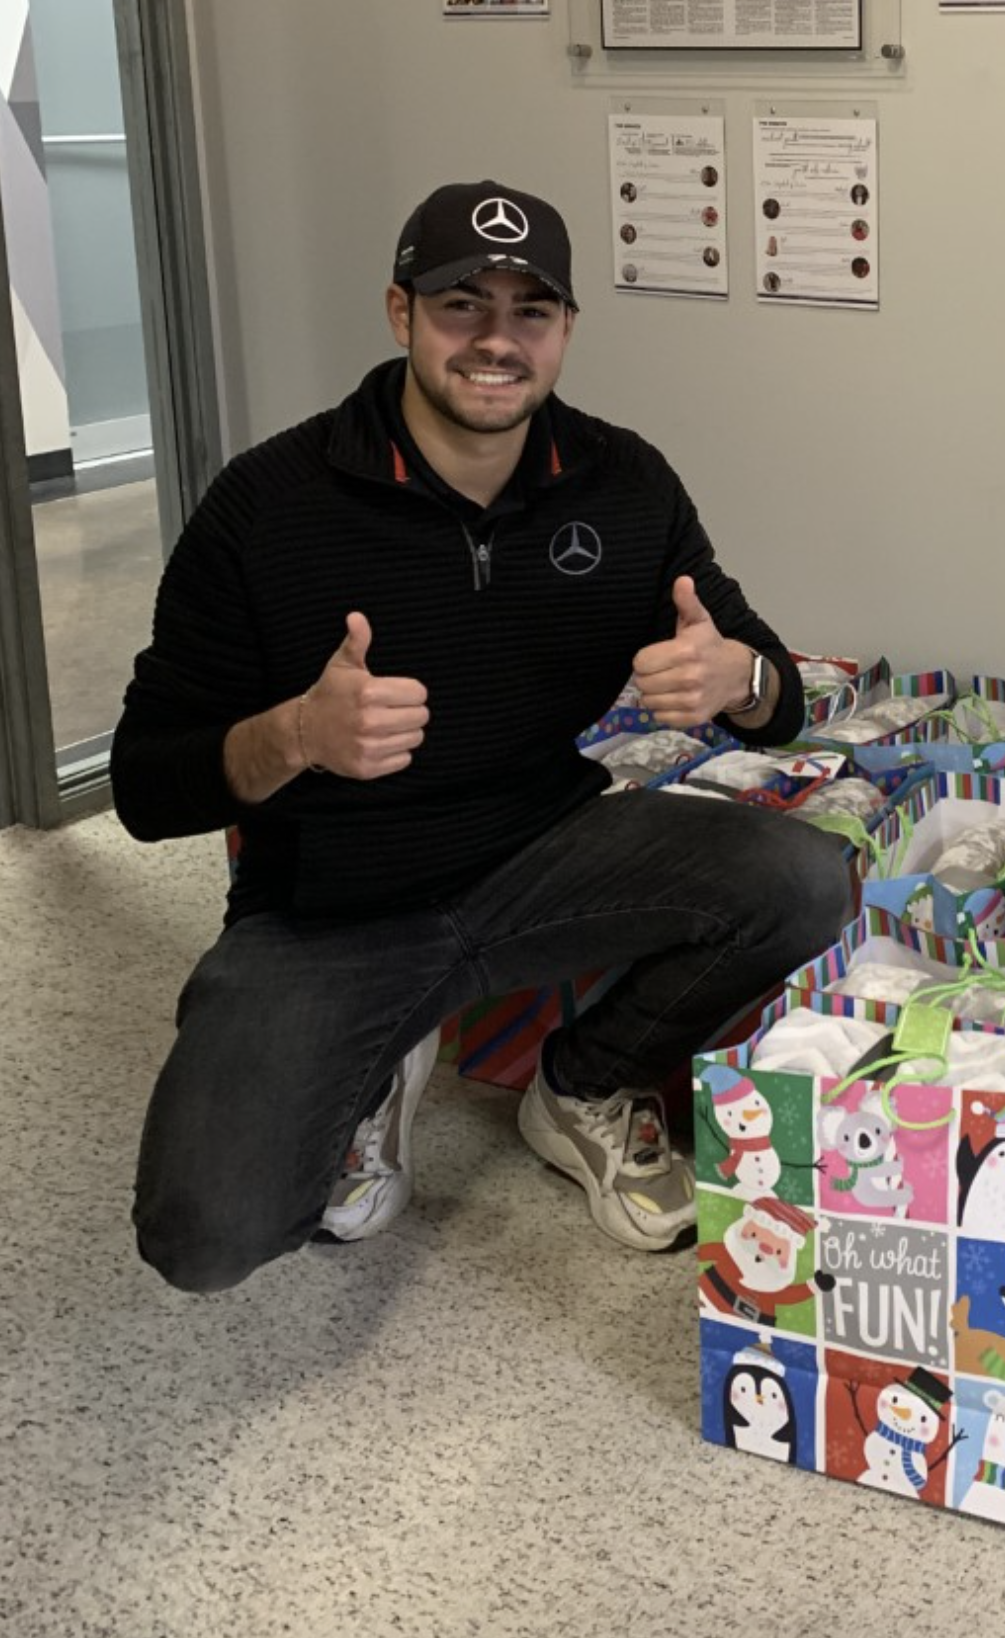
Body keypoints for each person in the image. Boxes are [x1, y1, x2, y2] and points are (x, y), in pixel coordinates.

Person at [112, 180, 852, 1294]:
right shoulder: (267, 506)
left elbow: (777, 691)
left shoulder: (625, 482)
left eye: (531, 311)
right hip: (331, 910)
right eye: (464, 305)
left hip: (542, 857)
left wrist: (739, 677)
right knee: (206, 1237)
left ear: (565, 332)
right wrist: (294, 736)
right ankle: (381, 1057)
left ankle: (585, 1082)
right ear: (401, 312)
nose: (497, 341)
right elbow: (143, 786)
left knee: (803, 876)